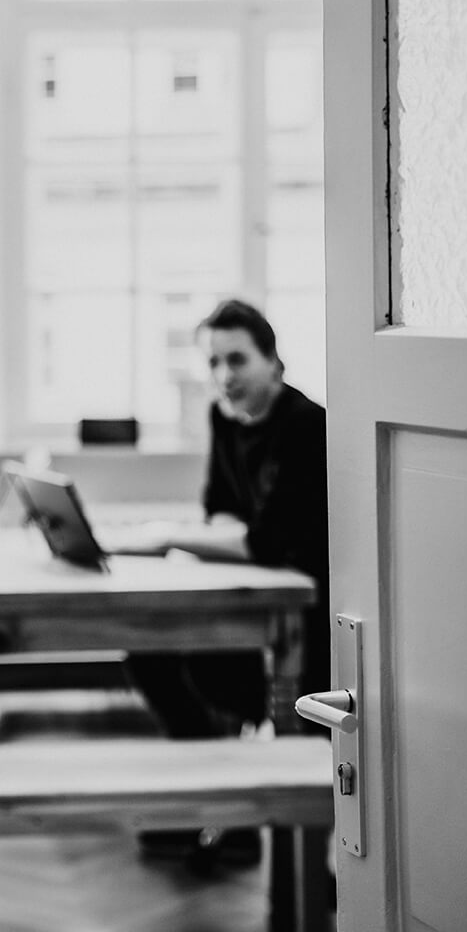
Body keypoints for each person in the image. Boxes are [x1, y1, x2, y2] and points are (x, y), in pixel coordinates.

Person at [126, 298, 329, 868]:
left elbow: (265, 541)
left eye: (237, 360)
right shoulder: (223, 416)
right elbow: (219, 510)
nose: (224, 377)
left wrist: (171, 537)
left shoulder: (305, 425)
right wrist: (215, 536)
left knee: (191, 661)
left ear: (273, 362)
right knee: (147, 653)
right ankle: (207, 800)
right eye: (213, 363)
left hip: (304, 613)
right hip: (245, 588)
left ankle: (236, 813)